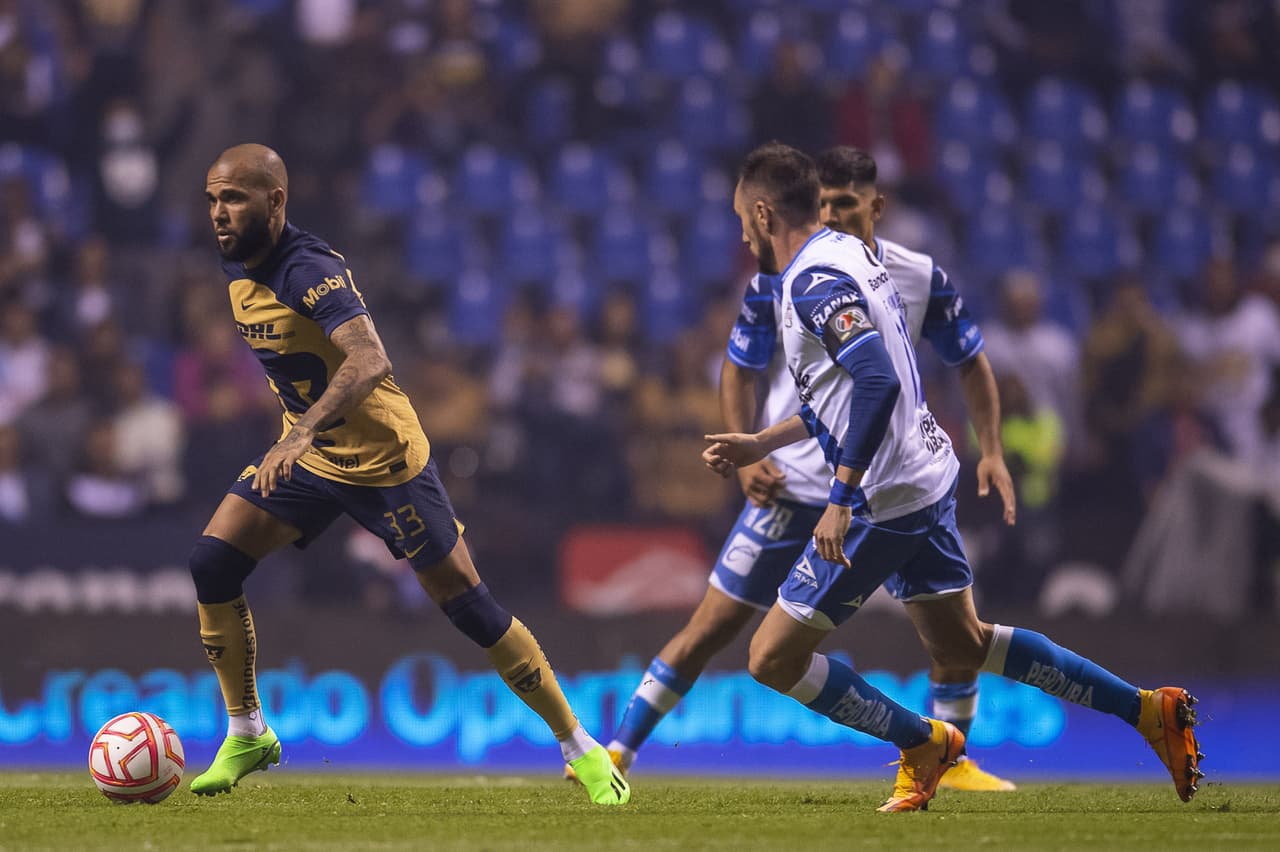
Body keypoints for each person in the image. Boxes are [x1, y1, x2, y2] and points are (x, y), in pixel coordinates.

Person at [702, 142, 1202, 813]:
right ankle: (1149, 711)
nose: (738, 231)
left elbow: (876, 380)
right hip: (925, 472)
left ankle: (921, 742)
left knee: (771, 658)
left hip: (883, 498)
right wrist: (762, 440)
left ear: (763, 213)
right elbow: (846, 390)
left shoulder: (814, 281)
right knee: (963, 641)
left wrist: (840, 499)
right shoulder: (852, 257)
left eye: (740, 216)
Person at [188, 144, 628, 805]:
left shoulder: (309, 270)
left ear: (276, 201)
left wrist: (303, 428)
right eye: (213, 199)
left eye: (235, 198)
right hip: (310, 455)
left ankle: (579, 747)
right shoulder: (236, 263)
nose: (219, 212)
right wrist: (302, 433)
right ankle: (248, 730)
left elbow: (369, 362)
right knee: (212, 564)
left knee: (471, 609)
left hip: (384, 461)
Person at [601, 147, 1019, 792]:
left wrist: (989, 446)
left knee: (950, 633)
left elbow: (963, 363)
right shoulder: (779, 276)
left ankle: (951, 759)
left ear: (874, 207)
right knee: (714, 625)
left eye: (846, 205)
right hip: (793, 482)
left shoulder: (910, 275)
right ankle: (619, 751)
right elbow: (740, 367)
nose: (833, 215)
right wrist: (752, 458)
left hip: (875, 483)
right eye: (824, 204)